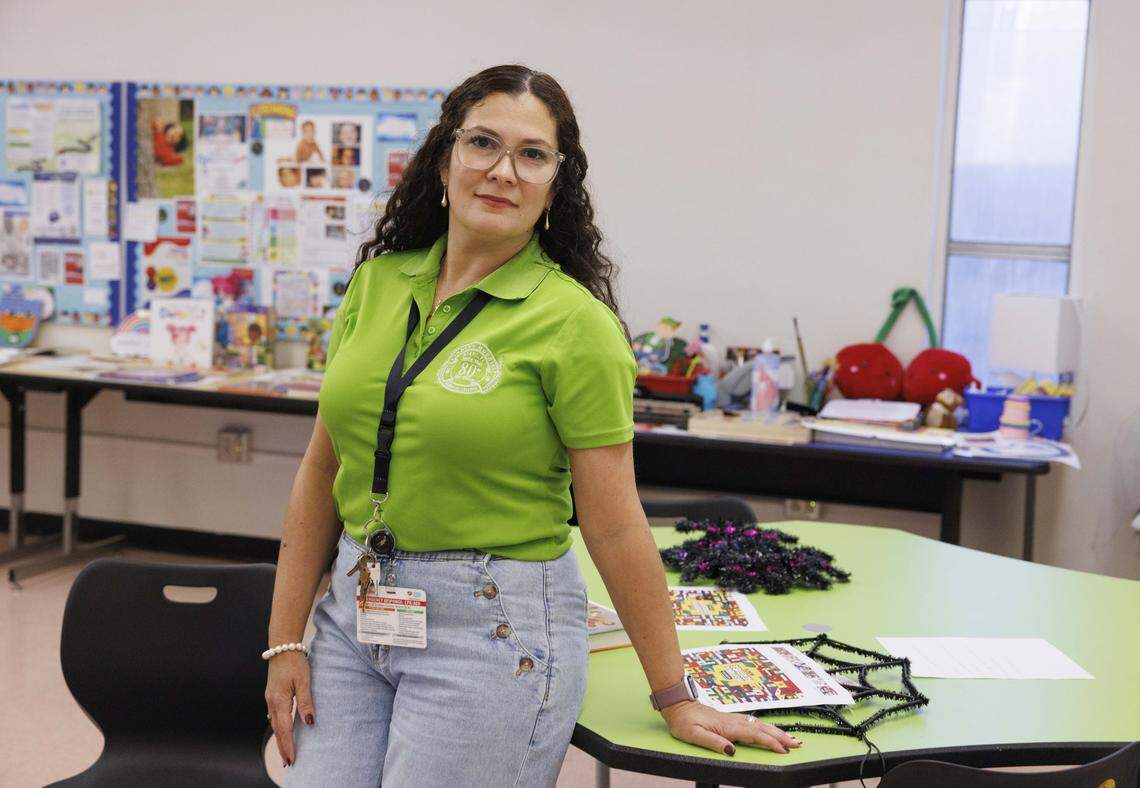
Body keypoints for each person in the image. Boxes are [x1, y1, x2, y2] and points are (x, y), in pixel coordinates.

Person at [265, 64, 800, 787]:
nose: (502, 171)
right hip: (357, 610)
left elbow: (613, 523)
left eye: (532, 154)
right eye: (482, 142)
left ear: (557, 181)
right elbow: (323, 469)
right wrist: (285, 641)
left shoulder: (574, 324)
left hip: (492, 628)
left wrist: (675, 695)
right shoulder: (380, 281)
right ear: (446, 156)